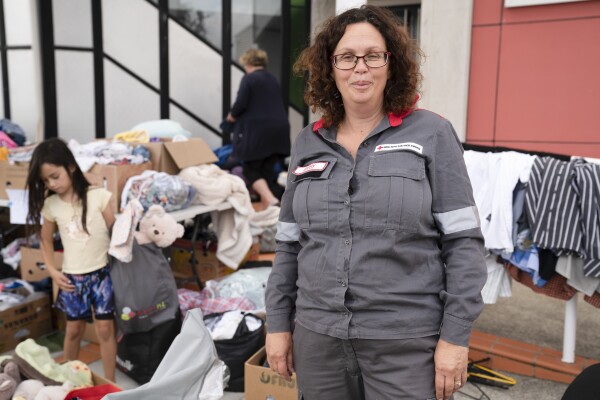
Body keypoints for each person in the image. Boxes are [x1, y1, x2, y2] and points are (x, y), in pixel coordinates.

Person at [265, 5, 487, 400]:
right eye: (347, 57)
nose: (360, 68)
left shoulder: (432, 133)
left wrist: (455, 337)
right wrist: (277, 324)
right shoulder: (308, 142)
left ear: (392, 63)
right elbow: (288, 244)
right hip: (319, 341)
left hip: (404, 343)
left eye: (373, 55)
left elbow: (463, 244)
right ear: (330, 67)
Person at [26, 138, 117, 382]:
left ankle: (111, 385)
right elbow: (45, 241)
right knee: (74, 330)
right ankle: (68, 381)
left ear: (71, 167)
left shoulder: (98, 196)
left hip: (102, 274)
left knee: (106, 329)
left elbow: (117, 234)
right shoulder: (51, 205)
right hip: (71, 278)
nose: (51, 184)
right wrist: (53, 272)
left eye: (55, 176)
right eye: (46, 181)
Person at [226, 48, 291, 210]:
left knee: (250, 169)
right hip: (279, 132)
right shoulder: (273, 79)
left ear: (248, 63)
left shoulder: (249, 79)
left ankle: (270, 200)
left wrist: (231, 117)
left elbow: (240, 104)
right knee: (266, 172)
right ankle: (271, 215)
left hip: (259, 133)